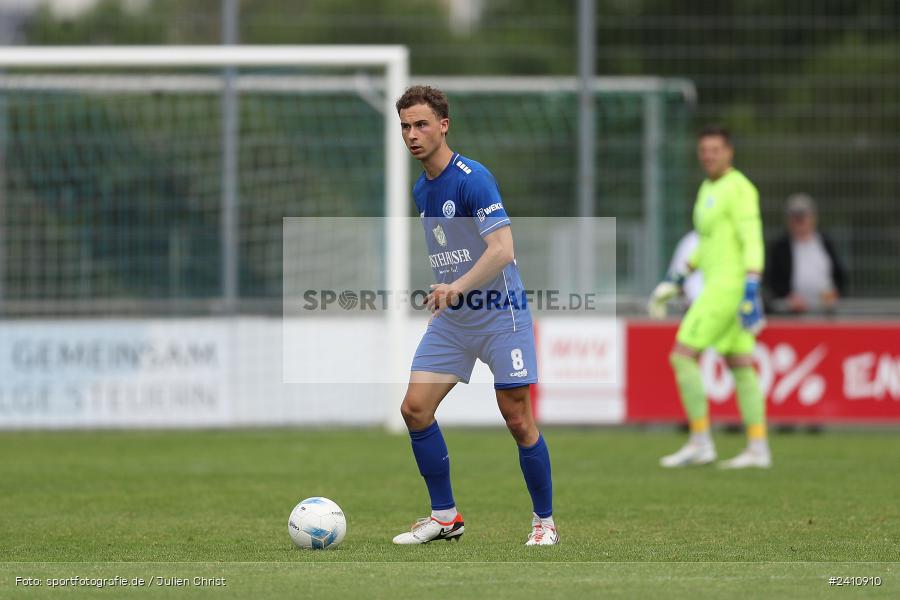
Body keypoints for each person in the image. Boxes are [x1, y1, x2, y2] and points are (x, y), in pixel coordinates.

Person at [392, 85, 557, 545]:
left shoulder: (472, 178)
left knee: (517, 418)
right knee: (415, 409)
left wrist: (457, 288)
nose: (412, 134)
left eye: (421, 124)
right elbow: (451, 250)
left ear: (443, 125)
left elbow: (503, 250)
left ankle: (544, 522)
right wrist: (446, 298)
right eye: (405, 126)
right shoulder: (422, 188)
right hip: (455, 321)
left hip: (501, 316)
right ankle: (445, 517)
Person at [648, 125, 770, 469]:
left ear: (729, 151)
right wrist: (676, 278)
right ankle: (758, 448)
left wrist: (751, 285)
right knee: (741, 365)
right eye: (704, 150)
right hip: (719, 283)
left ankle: (701, 440)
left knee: (682, 355)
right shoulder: (707, 188)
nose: (709, 156)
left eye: (715, 150)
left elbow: (752, 237)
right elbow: (706, 242)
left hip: (727, 287)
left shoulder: (740, 188)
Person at [763, 193, 846, 314]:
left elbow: (839, 275)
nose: (800, 222)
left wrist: (835, 293)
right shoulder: (780, 247)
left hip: (826, 312)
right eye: (795, 218)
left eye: (803, 217)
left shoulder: (825, 242)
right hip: (792, 313)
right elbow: (772, 279)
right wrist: (788, 297)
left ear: (813, 218)